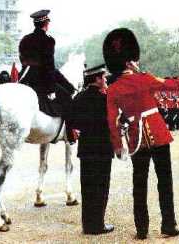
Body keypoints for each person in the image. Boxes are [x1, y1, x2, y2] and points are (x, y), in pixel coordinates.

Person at [103, 28, 179, 240]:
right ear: (130, 62)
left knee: (139, 186)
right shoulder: (144, 78)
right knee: (164, 182)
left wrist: (117, 146)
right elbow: (175, 85)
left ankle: (142, 229)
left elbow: (112, 121)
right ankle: (168, 224)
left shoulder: (113, 89)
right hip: (158, 134)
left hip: (135, 139)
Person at [18, 9, 77, 144]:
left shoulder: (25, 40)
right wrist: (53, 89)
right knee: (68, 99)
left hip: (25, 79)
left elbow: (23, 61)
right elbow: (49, 68)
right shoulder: (48, 40)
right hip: (42, 81)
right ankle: (70, 134)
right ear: (46, 23)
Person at [70, 65, 114, 235]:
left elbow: (71, 121)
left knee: (88, 189)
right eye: (103, 77)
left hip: (86, 150)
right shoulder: (105, 98)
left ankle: (88, 225)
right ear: (97, 79)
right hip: (102, 149)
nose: (105, 80)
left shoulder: (79, 97)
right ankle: (98, 225)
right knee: (101, 188)